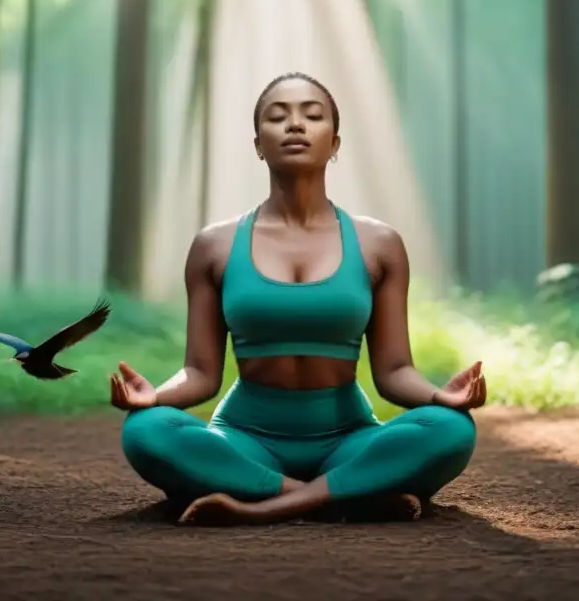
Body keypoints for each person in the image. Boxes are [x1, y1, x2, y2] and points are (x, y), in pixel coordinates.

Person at [110, 71, 487, 526]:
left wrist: (440, 398)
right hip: (245, 440)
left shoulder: (378, 244)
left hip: (348, 438)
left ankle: (257, 504)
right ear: (258, 144)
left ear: (335, 143)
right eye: (277, 116)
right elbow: (201, 373)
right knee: (146, 431)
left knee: (451, 430)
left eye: (312, 115)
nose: (295, 125)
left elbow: (393, 372)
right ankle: (347, 495)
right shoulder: (215, 245)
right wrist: (155, 398)